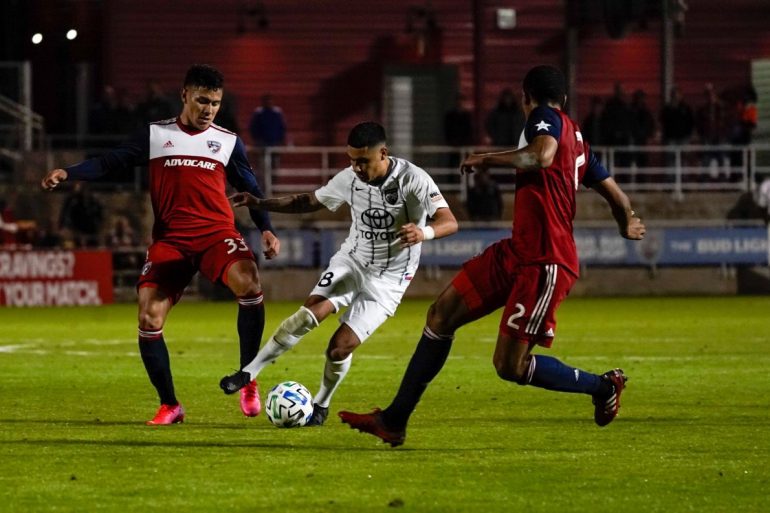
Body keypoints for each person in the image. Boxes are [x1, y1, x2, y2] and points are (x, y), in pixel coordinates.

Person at [339, 65, 646, 447]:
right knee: (440, 315)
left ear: (525, 97)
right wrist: (625, 222)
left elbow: (542, 156)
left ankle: (603, 387)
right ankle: (394, 420)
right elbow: (616, 195)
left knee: (510, 366)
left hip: (544, 261)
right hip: (518, 251)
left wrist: (487, 159)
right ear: (564, 98)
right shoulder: (578, 138)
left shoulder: (544, 120)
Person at [41, 64, 281, 425]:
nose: (208, 109)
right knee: (148, 317)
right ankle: (170, 404)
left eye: (215, 103)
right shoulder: (156, 135)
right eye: (202, 100)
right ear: (185, 95)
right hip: (172, 240)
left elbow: (251, 189)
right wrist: (68, 172)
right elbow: (110, 162)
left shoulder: (228, 141)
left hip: (217, 234)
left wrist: (266, 228)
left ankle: (248, 377)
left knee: (249, 283)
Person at [219, 121, 458, 426]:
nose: (356, 167)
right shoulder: (349, 178)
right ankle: (248, 372)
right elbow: (308, 201)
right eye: (352, 160)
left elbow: (449, 221)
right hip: (352, 261)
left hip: (389, 280)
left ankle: (321, 403)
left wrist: (423, 232)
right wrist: (259, 202)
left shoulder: (414, 180)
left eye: (363, 161)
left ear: (383, 153)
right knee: (307, 315)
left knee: (338, 347)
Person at [248, 93, 287, 169]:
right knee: (262, 165)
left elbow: (282, 128)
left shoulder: (277, 113)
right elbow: (253, 128)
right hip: (262, 144)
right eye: (267, 101)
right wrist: (257, 140)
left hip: (275, 143)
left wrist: (280, 140)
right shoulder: (258, 113)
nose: (269, 102)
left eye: (270, 101)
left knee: (274, 165)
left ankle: (274, 180)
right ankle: (263, 180)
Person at [59, 182, 104, 247]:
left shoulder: (94, 202)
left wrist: (98, 228)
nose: (85, 192)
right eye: (83, 189)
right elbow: (71, 217)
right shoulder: (75, 203)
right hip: (78, 233)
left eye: (86, 189)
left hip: (93, 233)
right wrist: (76, 232)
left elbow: (100, 217)